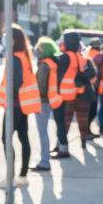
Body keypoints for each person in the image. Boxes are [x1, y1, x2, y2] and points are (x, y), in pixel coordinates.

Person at [0, 23, 40, 183]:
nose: (4, 39)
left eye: (6, 37)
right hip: (23, 106)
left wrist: (10, 97)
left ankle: (11, 178)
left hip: (15, 106)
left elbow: (16, 81)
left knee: (6, 139)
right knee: (23, 138)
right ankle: (23, 176)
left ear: (13, 40)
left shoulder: (14, 57)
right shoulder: (23, 56)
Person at [59, 32, 95, 150]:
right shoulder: (81, 59)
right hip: (77, 95)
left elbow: (91, 74)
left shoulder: (67, 58)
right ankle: (78, 142)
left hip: (74, 95)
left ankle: (65, 144)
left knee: (71, 121)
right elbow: (91, 75)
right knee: (76, 120)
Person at [33, 36, 62, 171]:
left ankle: (45, 161)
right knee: (45, 131)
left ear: (44, 49)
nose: (36, 50)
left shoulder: (44, 65)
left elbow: (41, 87)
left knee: (42, 132)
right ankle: (45, 159)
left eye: (39, 47)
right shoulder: (53, 63)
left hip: (42, 102)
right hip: (50, 100)